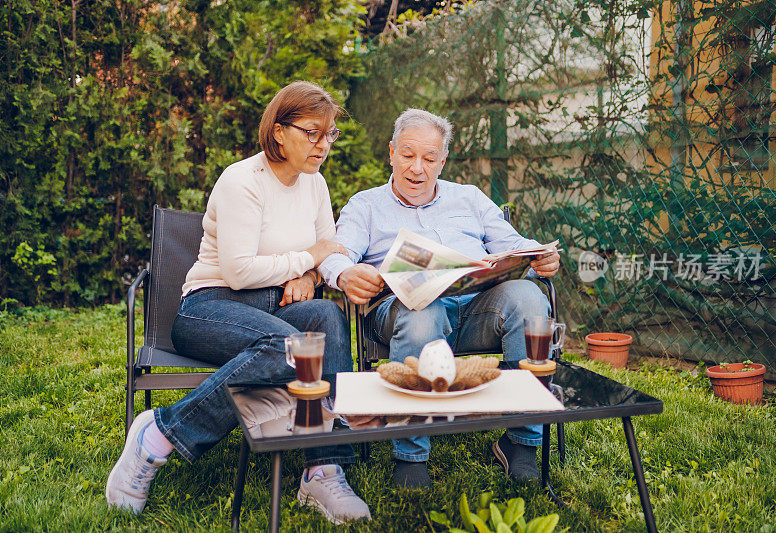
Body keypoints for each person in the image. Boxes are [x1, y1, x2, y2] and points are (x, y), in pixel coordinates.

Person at [106, 81, 371, 523]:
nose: (323, 145)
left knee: (325, 314)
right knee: (290, 348)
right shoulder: (242, 181)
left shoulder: (315, 184)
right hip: (209, 306)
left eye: (330, 135)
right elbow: (239, 271)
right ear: (279, 131)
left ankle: (323, 468)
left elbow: (330, 250)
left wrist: (309, 273)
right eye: (312, 132)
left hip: (274, 308)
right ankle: (157, 434)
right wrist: (308, 259)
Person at [318, 108, 561, 488]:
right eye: (408, 155)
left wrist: (538, 254)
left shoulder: (469, 198)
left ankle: (522, 441)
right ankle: (411, 457)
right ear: (391, 152)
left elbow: (512, 243)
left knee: (528, 297)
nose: (417, 168)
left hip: (476, 308)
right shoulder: (365, 204)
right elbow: (336, 253)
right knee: (422, 309)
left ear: (443, 161)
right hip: (402, 312)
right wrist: (344, 273)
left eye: (429, 159)